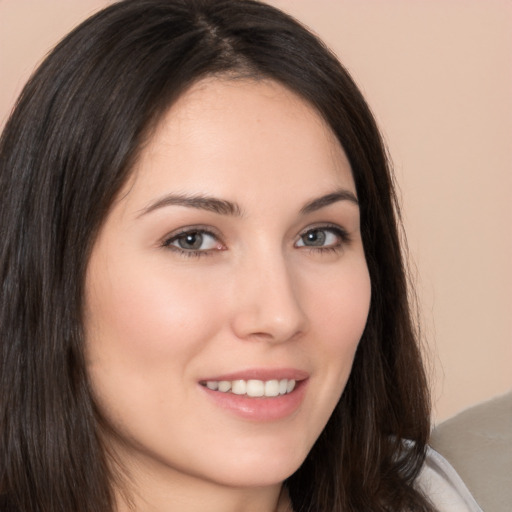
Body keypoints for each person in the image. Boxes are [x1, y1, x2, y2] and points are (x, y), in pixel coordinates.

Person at [0, 1, 482, 511]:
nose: (280, 315)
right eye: (193, 240)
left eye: (317, 236)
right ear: (51, 270)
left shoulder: (431, 496)